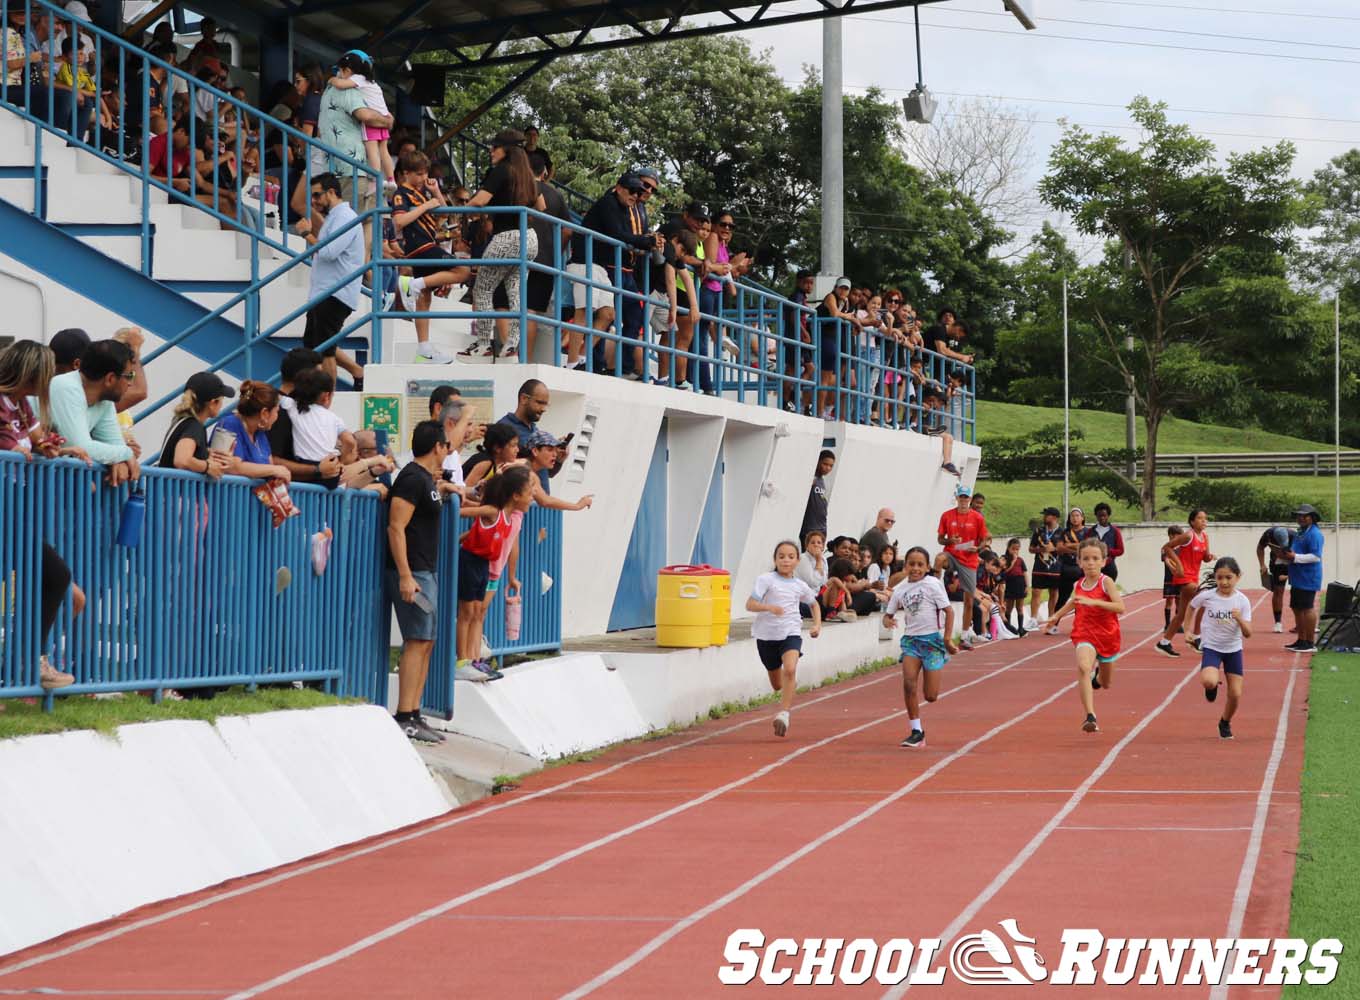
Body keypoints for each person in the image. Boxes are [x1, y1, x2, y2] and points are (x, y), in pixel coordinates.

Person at [0, 340, 86, 690]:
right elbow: (16, 447)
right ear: (30, 372)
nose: (49, 380)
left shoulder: (21, 405)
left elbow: (36, 441)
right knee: (54, 575)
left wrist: (55, 447)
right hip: (5, 505)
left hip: (13, 505)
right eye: (44, 373)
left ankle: (27, 663)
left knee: (55, 575)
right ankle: (26, 663)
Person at [387, 420, 453, 740]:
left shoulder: (426, 480)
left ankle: (415, 711)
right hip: (414, 572)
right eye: (446, 446)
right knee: (416, 640)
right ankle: (404, 714)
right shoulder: (412, 479)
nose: (448, 452)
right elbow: (396, 527)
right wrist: (405, 574)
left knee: (426, 641)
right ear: (437, 447)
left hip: (425, 569)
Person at [461, 129, 546, 358]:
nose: (490, 150)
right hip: (529, 238)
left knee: (482, 289)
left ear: (506, 149)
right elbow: (542, 207)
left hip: (506, 237)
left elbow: (480, 200)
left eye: (495, 146)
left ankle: (483, 344)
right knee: (516, 292)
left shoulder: (502, 170)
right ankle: (512, 346)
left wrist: (464, 210)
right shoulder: (526, 173)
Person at [457, 465, 535, 679]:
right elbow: (461, 511)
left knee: (475, 613)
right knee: (467, 613)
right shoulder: (492, 511)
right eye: (529, 493)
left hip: (485, 565)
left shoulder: (511, 519)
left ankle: (474, 660)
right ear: (516, 495)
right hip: (472, 562)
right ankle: (462, 660)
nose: (532, 497)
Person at [391, 151, 469, 364]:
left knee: (424, 296)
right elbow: (399, 222)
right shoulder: (401, 194)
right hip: (420, 245)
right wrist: (426, 205)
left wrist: (434, 192)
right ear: (405, 173)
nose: (423, 178)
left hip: (427, 243)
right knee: (463, 270)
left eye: (426, 174)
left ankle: (424, 348)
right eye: (419, 174)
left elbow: (442, 213)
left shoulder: (421, 191)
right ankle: (413, 284)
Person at [1046, 536, 1125, 734]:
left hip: (1108, 635)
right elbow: (1073, 602)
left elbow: (1120, 607)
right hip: (1084, 632)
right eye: (1086, 559)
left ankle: (1097, 679)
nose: (1091, 563)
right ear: (1079, 562)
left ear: (1103, 561)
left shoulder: (1106, 582)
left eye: (1095, 558)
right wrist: (1055, 617)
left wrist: (1095, 602)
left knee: (1105, 684)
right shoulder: (1078, 585)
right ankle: (1090, 716)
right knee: (1083, 667)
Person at [883, 546, 956, 748]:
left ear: (927, 567)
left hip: (932, 643)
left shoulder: (933, 584)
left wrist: (948, 639)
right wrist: (887, 621)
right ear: (905, 566)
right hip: (911, 643)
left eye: (920, 564)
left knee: (931, 696)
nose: (915, 568)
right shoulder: (900, 589)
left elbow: (949, 612)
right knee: (908, 684)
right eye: (911, 564)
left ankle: (918, 728)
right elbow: (887, 615)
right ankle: (916, 731)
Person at [296, 172, 366, 384]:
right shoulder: (335, 217)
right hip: (326, 291)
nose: (314, 201)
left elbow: (328, 252)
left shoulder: (345, 217)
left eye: (317, 195)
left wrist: (306, 234)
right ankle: (357, 372)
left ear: (332, 192)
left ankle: (326, 400)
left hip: (336, 292)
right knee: (314, 345)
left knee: (324, 349)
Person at [747, 540, 822, 738]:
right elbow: (750, 604)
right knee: (778, 685)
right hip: (766, 635)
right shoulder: (766, 579)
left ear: (797, 561)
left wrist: (816, 625)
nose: (786, 560)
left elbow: (814, 605)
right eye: (781, 556)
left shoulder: (800, 585)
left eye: (790, 557)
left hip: (790, 632)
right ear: (775, 559)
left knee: (790, 669)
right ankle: (789, 686)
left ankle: (784, 714)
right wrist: (768, 608)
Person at [46, 339, 138, 486]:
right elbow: (81, 446)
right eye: (129, 375)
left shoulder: (105, 400)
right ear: (110, 379)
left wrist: (120, 459)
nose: (131, 383)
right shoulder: (66, 387)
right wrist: (126, 453)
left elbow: (114, 444)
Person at [1188, 556, 1252, 740]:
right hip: (1212, 647)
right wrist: (1187, 630)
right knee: (1208, 681)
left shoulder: (1242, 601)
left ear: (1238, 577)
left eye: (1228, 577)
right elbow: (1191, 606)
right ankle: (1212, 685)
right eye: (1220, 577)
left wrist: (1239, 619)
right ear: (1215, 578)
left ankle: (1224, 722)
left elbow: (1248, 633)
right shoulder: (1208, 596)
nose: (1224, 582)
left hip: (1233, 649)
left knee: (1236, 694)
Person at [325, 50, 396, 186]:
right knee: (384, 151)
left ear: (348, 69)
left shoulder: (357, 79)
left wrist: (332, 80)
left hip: (372, 121)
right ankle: (391, 179)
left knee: (372, 150)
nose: (340, 74)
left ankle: (377, 180)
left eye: (341, 71)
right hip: (384, 116)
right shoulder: (372, 81)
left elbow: (341, 85)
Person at [1156, 509, 1214, 658]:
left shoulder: (1205, 537)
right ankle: (1195, 637)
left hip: (1194, 577)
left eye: (1205, 518)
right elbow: (1167, 547)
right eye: (1200, 518)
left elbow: (1205, 558)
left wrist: (1209, 557)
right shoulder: (1188, 535)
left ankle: (1164, 642)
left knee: (1181, 614)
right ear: (1192, 521)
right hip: (1184, 577)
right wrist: (1178, 565)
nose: (1203, 521)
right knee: (1206, 598)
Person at [212, 380, 293, 481]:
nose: (277, 416)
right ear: (264, 413)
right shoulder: (228, 424)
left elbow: (269, 465)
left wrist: (274, 470)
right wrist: (274, 470)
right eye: (276, 411)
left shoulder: (261, 434)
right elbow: (229, 467)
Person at [158, 372, 234, 477]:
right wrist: (208, 467)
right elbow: (182, 460)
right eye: (221, 400)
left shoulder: (183, 421)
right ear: (212, 403)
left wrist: (209, 455)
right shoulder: (194, 426)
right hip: (173, 492)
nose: (222, 405)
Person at [937, 484, 987, 644]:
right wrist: (949, 540)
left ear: (970, 499)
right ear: (957, 498)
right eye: (961, 497)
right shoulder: (947, 515)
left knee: (969, 600)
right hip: (952, 554)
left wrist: (977, 548)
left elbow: (984, 540)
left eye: (966, 497)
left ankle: (965, 634)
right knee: (939, 558)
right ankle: (933, 587)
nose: (964, 500)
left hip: (969, 559)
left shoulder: (977, 517)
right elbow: (940, 539)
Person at [1280, 504, 1324, 653]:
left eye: (1304, 516)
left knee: (1307, 608)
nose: (1300, 518)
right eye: (1298, 515)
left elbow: (1315, 556)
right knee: (1296, 607)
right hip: (1297, 575)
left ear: (1312, 518)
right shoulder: (1301, 532)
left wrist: (1294, 557)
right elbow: (1296, 552)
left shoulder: (1314, 534)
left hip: (1308, 577)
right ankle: (1301, 639)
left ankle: (1310, 642)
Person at [1256, 524, 1296, 634]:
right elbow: (1260, 548)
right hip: (1277, 564)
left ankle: (1300, 623)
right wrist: (1262, 565)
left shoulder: (1294, 535)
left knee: (1297, 591)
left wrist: (1290, 573)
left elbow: (1301, 555)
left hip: (1293, 563)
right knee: (1278, 591)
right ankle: (1278, 622)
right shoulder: (1268, 534)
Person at [1049, 507, 1087, 619]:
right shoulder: (1065, 532)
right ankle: (1053, 624)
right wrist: (1077, 548)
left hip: (1082, 570)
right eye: (1072, 516)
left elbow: (1087, 546)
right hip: (1066, 568)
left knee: (1081, 598)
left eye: (1077, 516)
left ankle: (1079, 623)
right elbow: (1059, 548)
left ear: (1082, 518)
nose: (1075, 518)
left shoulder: (1088, 532)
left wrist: (1069, 545)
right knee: (1062, 598)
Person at [1028, 506, 1062, 627]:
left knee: (1054, 593)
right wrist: (1042, 549)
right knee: (1036, 592)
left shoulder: (1062, 532)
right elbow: (1031, 549)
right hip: (1039, 567)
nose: (1044, 517)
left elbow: (1067, 549)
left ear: (1054, 518)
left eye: (1046, 515)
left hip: (1055, 568)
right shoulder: (1038, 531)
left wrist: (1054, 549)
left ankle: (1051, 619)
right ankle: (1033, 619)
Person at [800, 450, 834, 545]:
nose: (828, 468)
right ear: (818, 461)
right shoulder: (812, 477)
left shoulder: (821, 480)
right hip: (809, 528)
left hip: (821, 526)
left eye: (831, 466)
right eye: (825, 464)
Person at [1084, 502, 1125, 580]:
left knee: (1108, 590)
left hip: (1109, 567)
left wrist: (1107, 551)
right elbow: (1085, 548)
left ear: (1108, 515)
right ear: (1096, 516)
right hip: (1093, 567)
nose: (1102, 518)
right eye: (1099, 516)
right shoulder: (1090, 531)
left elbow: (1121, 550)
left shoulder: (1115, 531)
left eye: (1104, 515)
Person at [1002, 537, 1028, 636]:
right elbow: (1005, 571)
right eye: (1013, 549)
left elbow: (1025, 573)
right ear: (1008, 548)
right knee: (1009, 607)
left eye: (1017, 549)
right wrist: (1012, 562)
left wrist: (1026, 585)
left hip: (1020, 583)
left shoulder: (1021, 560)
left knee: (1020, 608)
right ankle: (1008, 628)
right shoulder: (1004, 558)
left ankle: (1020, 628)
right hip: (1010, 583)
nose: (1015, 551)